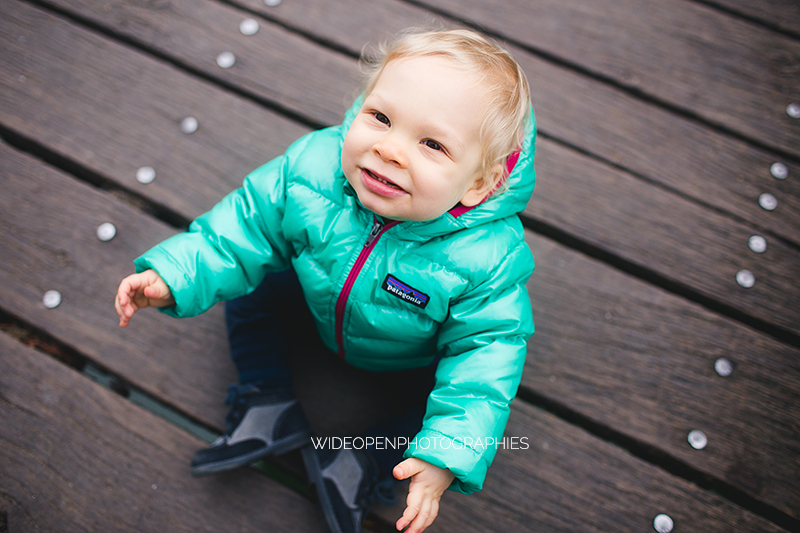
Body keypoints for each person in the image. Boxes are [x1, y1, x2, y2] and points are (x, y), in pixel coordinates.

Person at [115, 27, 536, 533]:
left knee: (431, 409)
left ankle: (362, 463)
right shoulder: (313, 166)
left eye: (431, 144)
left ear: (479, 183)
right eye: (380, 118)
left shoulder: (488, 258)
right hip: (317, 298)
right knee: (254, 288)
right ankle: (267, 398)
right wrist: (177, 272)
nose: (390, 150)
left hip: (412, 356)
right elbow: (245, 226)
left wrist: (448, 453)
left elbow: (485, 361)